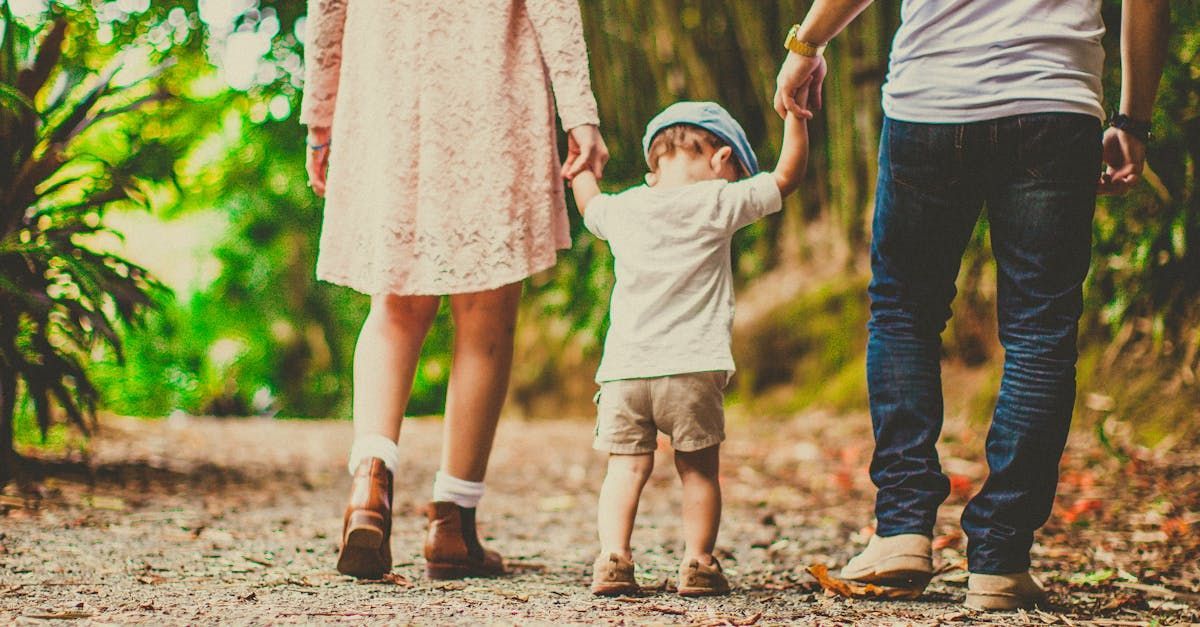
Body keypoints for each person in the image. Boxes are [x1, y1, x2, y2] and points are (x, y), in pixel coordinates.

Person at [773, 0, 1169, 611]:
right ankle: (1001, 558)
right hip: (1054, 100)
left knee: (905, 312)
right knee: (1041, 333)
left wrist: (807, 47)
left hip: (933, 97)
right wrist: (1133, 121)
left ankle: (902, 527)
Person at [299, 0, 609, 580]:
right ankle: (452, 522)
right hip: (491, 81)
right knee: (488, 309)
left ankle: (370, 485)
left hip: (388, 80)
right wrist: (579, 111)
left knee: (393, 304)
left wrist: (322, 115)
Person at [570, 101, 809, 597]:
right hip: (692, 367)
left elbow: (589, 201)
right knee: (698, 470)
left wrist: (583, 165)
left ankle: (613, 557)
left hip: (625, 372)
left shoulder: (624, 208)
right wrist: (796, 117)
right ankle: (698, 562)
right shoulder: (717, 201)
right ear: (722, 160)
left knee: (625, 468)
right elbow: (787, 175)